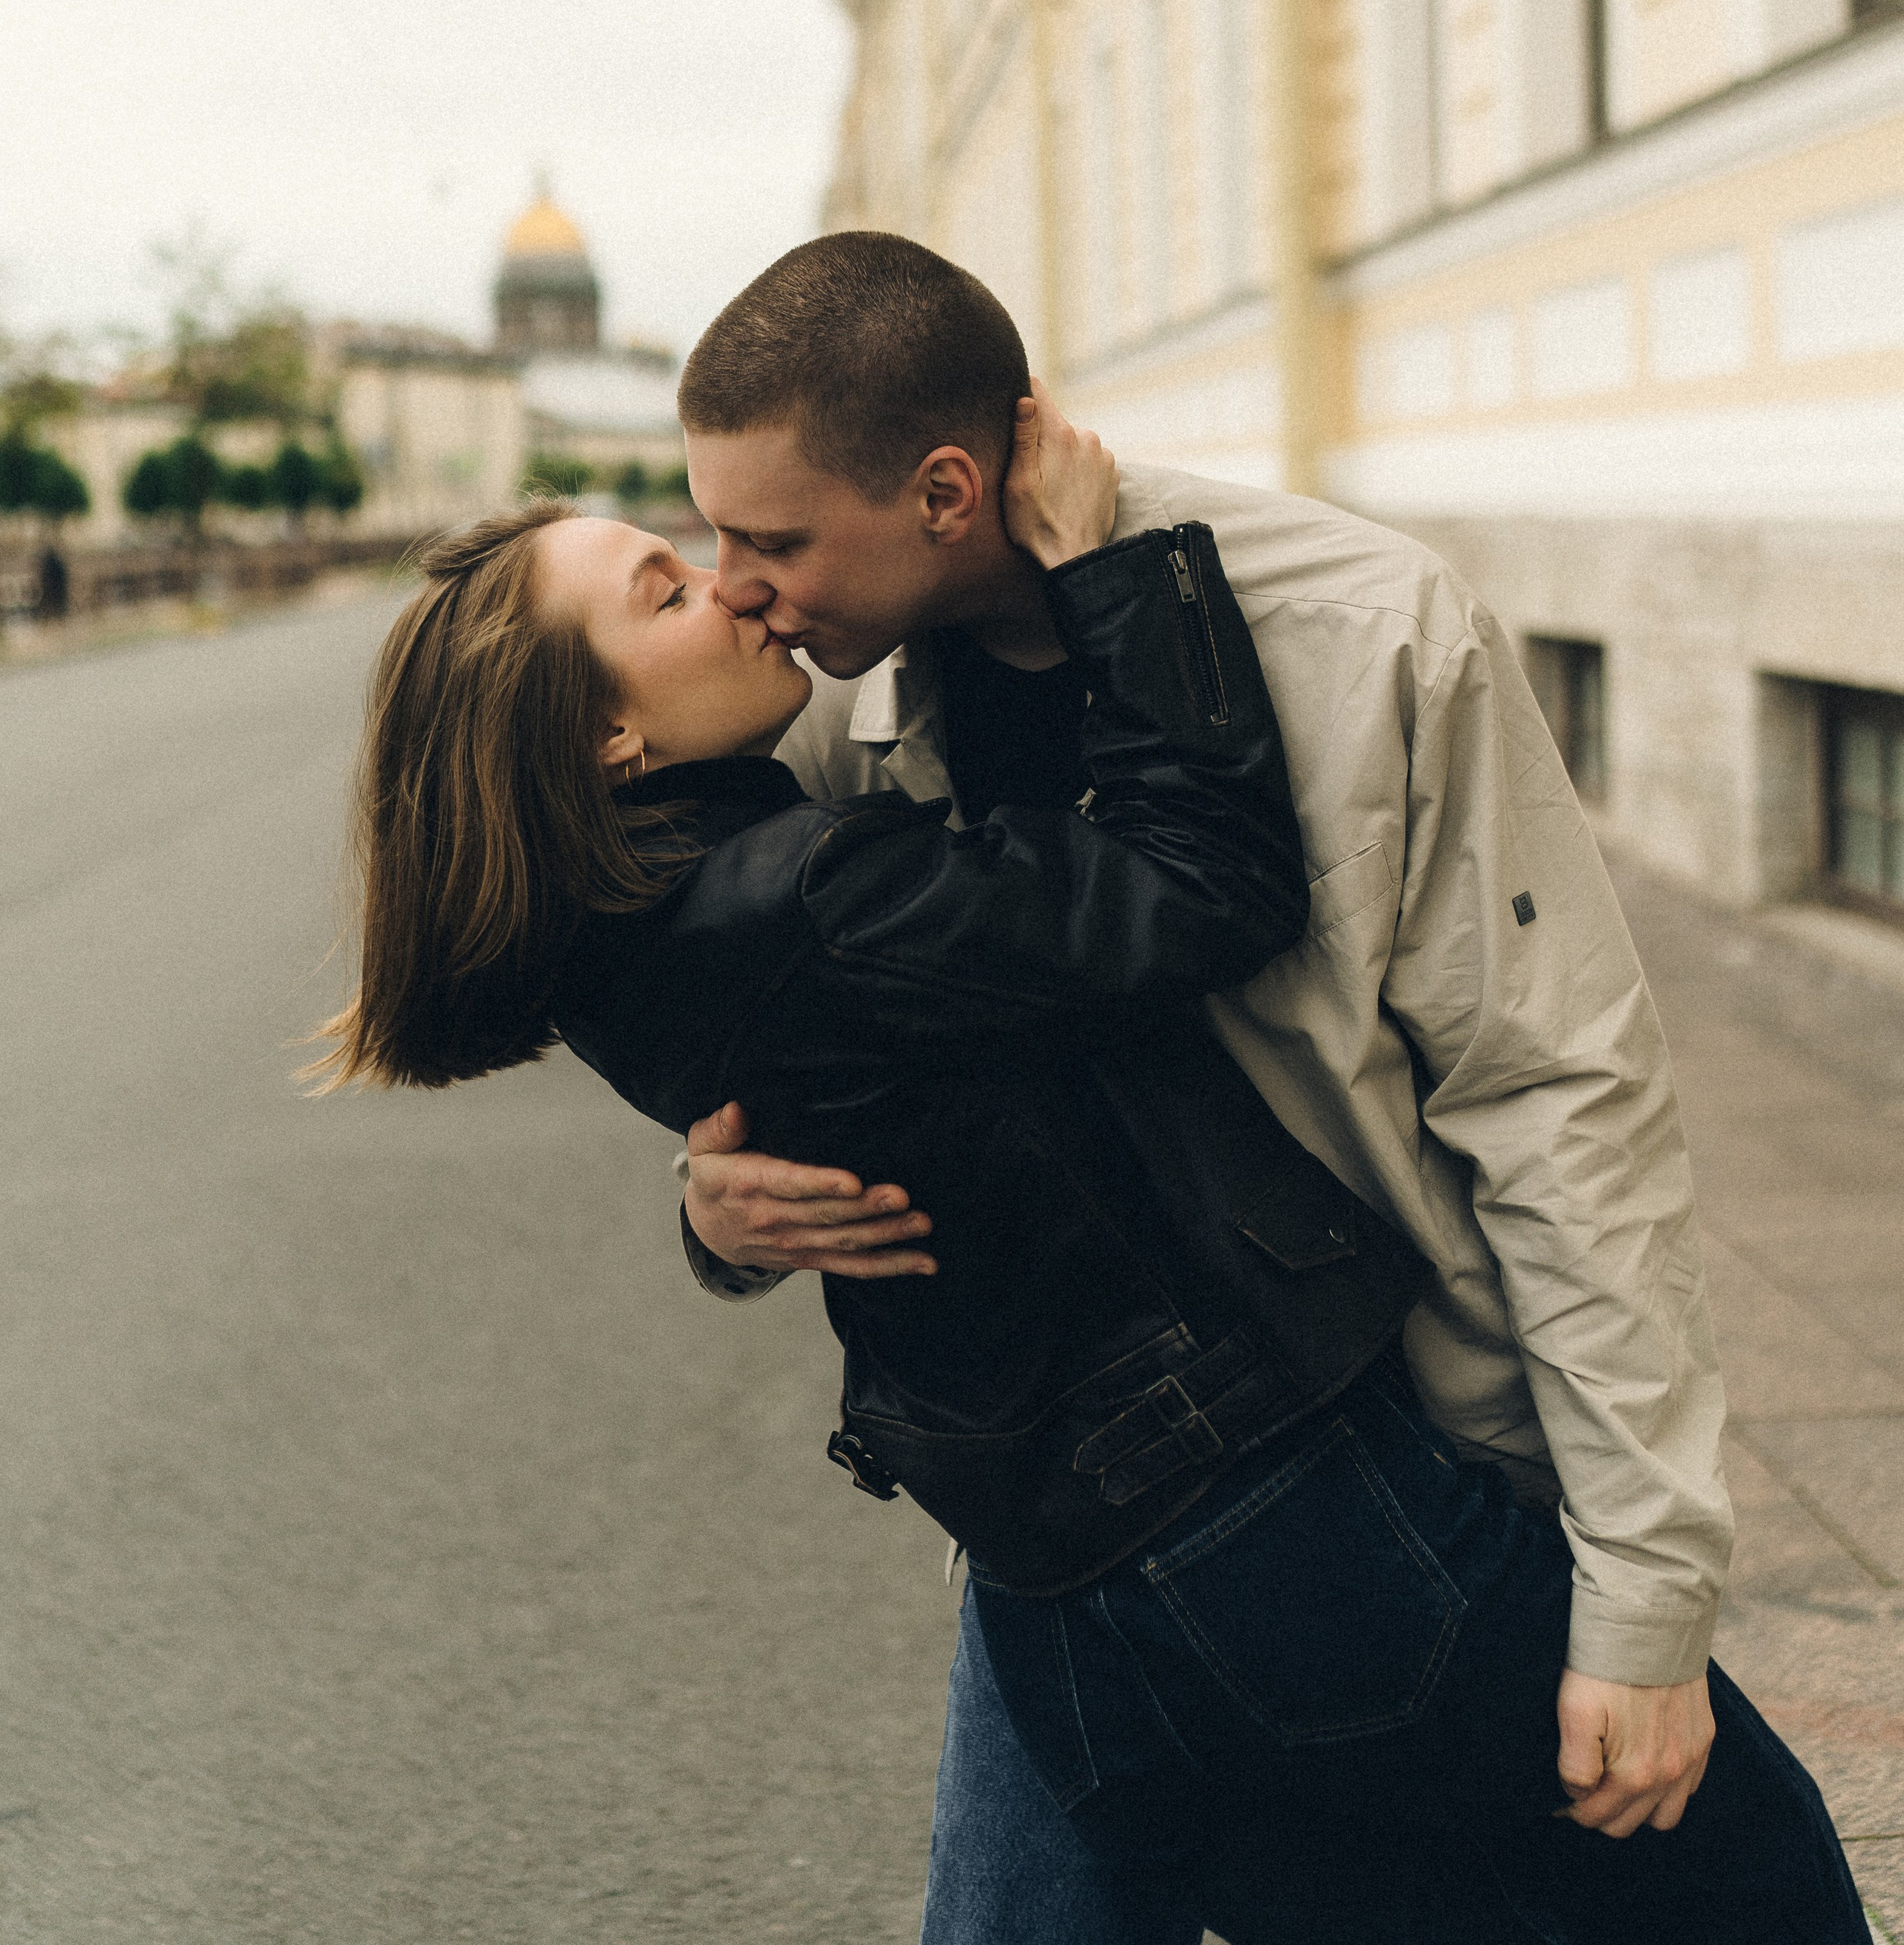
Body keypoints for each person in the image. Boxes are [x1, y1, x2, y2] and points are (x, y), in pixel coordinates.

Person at [666, 230, 1863, 1945]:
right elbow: (770, 1029)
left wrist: (1643, 1599)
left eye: (765, 537)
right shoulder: (833, 715)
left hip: (1379, 1464)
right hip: (1056, 1511)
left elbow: (1559, 1111)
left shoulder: (1360, 634)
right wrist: (717, 1210)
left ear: (945, 489)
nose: (728, 584)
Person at [316, 404, 1461, 1932]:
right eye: (667, 586)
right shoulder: (799, 892)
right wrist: (1127, 569)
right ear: (606, 735)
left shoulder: (635, 907)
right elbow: (1202, 891)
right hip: (1229, 1478)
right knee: (1704, 1870)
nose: (729, 586)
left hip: (1034, 1494)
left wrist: (708, 1206)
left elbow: (825, 1074)